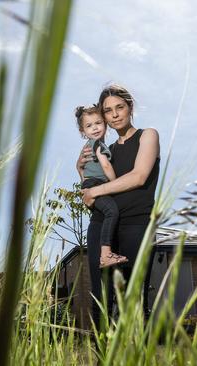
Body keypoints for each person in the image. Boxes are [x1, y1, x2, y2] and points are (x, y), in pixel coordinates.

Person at [76, 84, 160, 327]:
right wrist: (80, 172)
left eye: (119, 107)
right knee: (100, 299)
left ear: (130, 107)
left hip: (136, 225)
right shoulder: (106, 151)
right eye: (108, 110)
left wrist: (95, 190)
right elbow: (89, 195)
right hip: (103, 228)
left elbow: (139, 176)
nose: (114, 114)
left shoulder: (148, 135)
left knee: (133, 299)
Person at [74, 104, 128, 268]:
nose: (95, 128)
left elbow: (83, 169)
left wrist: (84, 181)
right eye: (89, 126)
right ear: (83, 132)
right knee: (112, 211)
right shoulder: (98, 145)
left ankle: (106, 252)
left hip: (90, 183)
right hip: (96, 184)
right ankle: (105, 255)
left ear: (104, 123)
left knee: (107, 212)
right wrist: (114, 183)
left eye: (98, 123)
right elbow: (106, 166)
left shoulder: (88, 146)